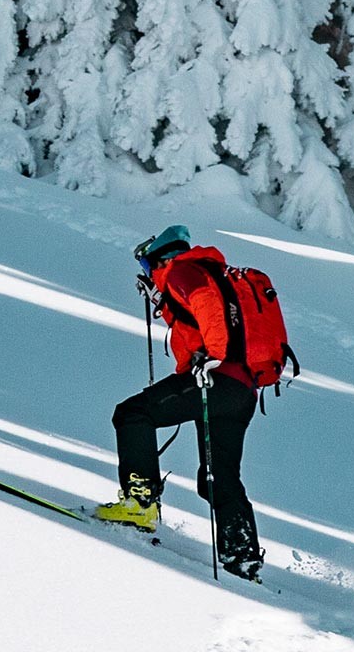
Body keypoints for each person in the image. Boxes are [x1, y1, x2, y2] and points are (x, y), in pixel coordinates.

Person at [95, 225, 264, 581]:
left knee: (132, 414)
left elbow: (207, 306)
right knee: (219, 477)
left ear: (161, 258)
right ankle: (242, 556)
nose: (148, 274)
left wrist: (214, 355)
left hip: (214, 379)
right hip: (242, 391)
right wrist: (162, 300)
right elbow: (198, 318)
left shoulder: (185, 271)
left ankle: (140, 504)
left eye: (147, 266)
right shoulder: (207, 271)